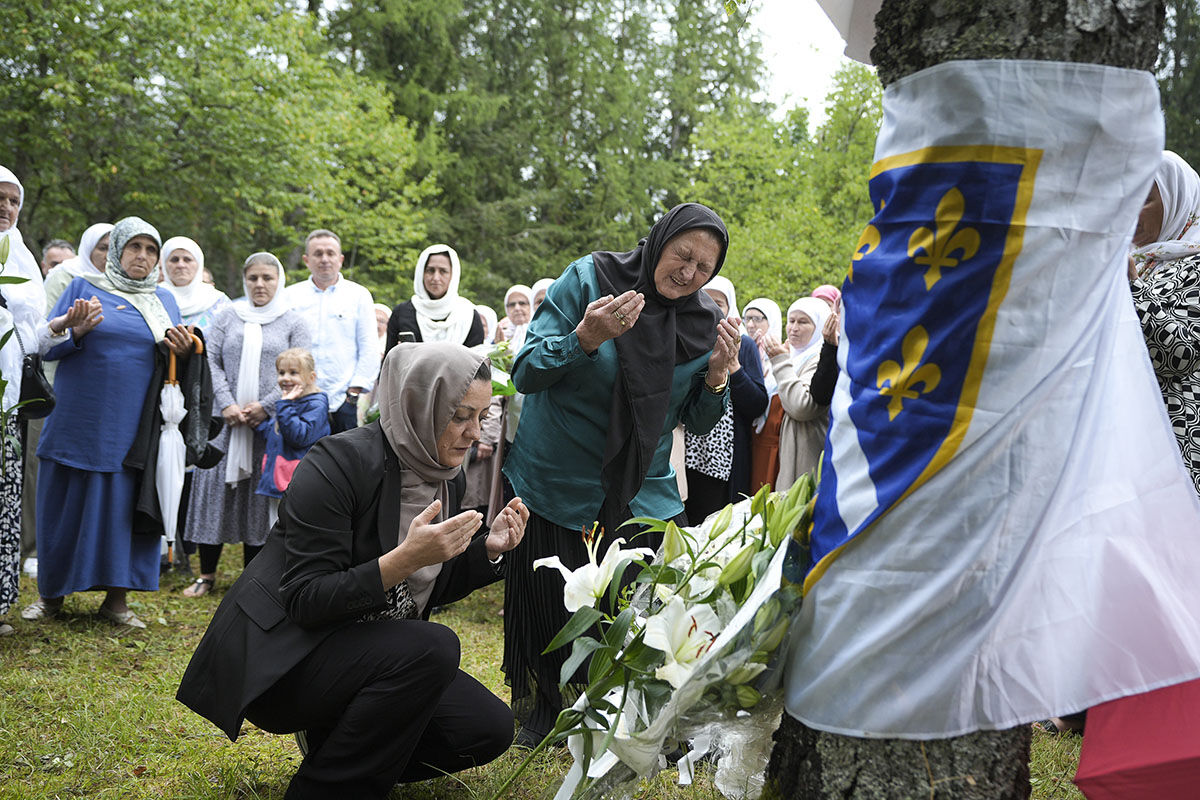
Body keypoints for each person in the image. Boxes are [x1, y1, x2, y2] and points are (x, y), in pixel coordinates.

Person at [177, 342, 530, 800]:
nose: (473, 433)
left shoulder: (447, 475)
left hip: (366, 654)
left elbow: (424, 587)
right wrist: (405, 558)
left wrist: (489, 551)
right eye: (460, 416)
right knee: (434, 645)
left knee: (487, 728)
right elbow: (306, 599)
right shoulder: (338, 462)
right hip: (289, 660)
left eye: (481, 417)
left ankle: (338, 747)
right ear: (419, 404)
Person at [501, 203, 739, 743]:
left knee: (636, 609)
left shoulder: (703, 324)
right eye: (682, 255)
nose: (689, 273)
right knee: (554, 604)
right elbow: (526, 371)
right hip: (561, 475)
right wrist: (585, 337)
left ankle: (619, 714)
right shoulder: (592, 280)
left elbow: (698, 422)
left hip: (641, 488)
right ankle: (548, 712)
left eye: (704, 267)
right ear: (659, 242)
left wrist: (717, 379)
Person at [26, 216, 196, 628]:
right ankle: (51, 597)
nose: (142, 256)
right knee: (66, 505)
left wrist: (184, 352)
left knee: (125, 505)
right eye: (133, 246)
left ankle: (116, 600)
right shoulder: (83, 288)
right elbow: (43, 347)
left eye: (150, 249)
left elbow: (172, 361)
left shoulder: (163, 300)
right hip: (79, 419)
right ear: (117, 251)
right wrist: (74, 331)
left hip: (134, 425)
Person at [182, 253, 309, 598]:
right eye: (253, 278)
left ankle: (253, 578)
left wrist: (265, 407)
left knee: (258, 499)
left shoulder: (293, 321)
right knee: (215, 494)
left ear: (279, 280)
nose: (260, 284)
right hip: (226, 421)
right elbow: (211, 361)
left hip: (268, 426)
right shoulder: (228, 315)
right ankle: (206, 575)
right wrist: (227, 404)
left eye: (267, 277)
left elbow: (300, 369)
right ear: (244, 280)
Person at [1130, 150, 1200, 496]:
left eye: (1145, 200)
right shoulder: (1140, 261)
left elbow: (1179, 352)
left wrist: (1129, 286)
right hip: (1133, 449)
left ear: (1177, 197)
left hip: (1179, 449)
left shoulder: (1195, 262)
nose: (1131, 214)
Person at [1, 166, 50, 636]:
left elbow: (33, 336)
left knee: (5, 499)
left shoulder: (21, 257)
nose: (6, 207)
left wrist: (62, 328)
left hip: (9, 405)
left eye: (13, 200)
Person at [683, 275, 768, 523]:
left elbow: (756, 404)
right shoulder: (683, 338)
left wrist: (733, 367)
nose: (710, 307)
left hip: (725, 458)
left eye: (719, 303)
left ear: (730, 308)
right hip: (685, 452)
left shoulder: (745, 345)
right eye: (703, 299)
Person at [284, 229, 378, 434]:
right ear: (306, 260)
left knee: (345, 455)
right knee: (303, 455)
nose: (324, 259)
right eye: (318, 254)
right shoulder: (290, 297)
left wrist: (353, 394)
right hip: (300, 400)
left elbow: (369, 347)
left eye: (330, 253)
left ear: (340, 259)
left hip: (343, 401)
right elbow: (284, 347)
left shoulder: (358, 295)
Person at [254, 347, 329, 528]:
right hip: (280, 475)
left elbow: (299, 436)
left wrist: (285, 405)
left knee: (293, 526)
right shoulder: (289, 400)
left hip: (297, 480)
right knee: (275, 525)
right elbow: (277, 432)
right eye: (281, 373)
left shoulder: (316, 405)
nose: (285, 378)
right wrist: (256, 424)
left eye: (293, 373)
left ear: (311, 377)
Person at [762, 296, 831, 487]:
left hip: (804, 459)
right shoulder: (790, 354)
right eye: (791, 321)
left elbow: (801, 407)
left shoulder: (818, 360)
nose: (794, 328)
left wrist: (780, 361)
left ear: (820, 326)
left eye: (803, 322)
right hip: (777, 452)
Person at [385, 244, 484, 354]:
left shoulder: (468, 315)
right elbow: (388, 361)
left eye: (443, 271)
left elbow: (477, 361)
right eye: (430, 270)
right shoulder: (401, 313)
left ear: (453, 275)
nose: (436, 278)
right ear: (421, 273)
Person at [161, 236, 231, 329]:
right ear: (164, 264)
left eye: (187, 259)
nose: (181, 265)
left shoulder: (218, 301)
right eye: (174, 260)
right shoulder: (153, 297)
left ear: (199, 264)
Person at [42, 222, 112, 312]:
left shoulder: (122, 281)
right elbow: (46, 316)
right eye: (103, 248)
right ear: (88, 250)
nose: (109, 255)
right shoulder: (63, 277)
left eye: (114, 249)